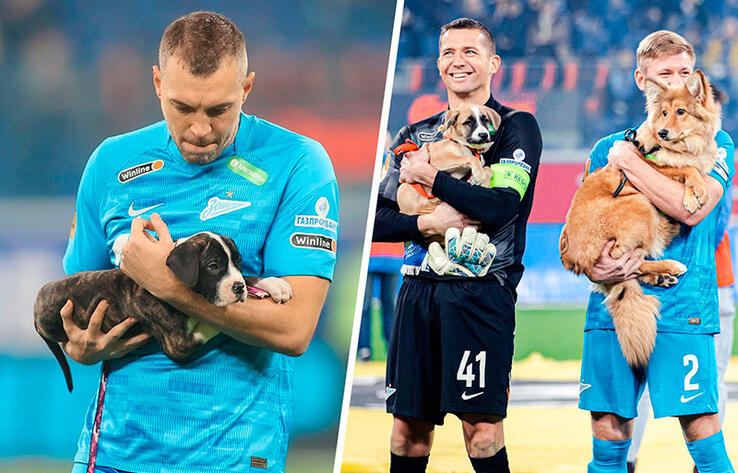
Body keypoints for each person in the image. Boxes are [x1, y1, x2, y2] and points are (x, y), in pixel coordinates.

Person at [60, 11, 338, 473]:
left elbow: (294, 329)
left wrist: (168, 286)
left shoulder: (298, 164)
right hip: (113, 455)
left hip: (236, 457)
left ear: (246, 89)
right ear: (156, 83)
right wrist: (83, 347)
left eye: (219, 109)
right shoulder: (110, 163)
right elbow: (82, 308)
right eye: (183, 108)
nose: (200, 130)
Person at [374, 17, 542, 473]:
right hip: (418, 291)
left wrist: (431, 178)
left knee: (482, 432)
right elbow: (374, 221)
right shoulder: (413, 137)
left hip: (482, 292)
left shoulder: (516, 127)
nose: (458, 61)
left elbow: (500, 207)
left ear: (493, 63)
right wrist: (426, 223)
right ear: (438, 65)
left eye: (470, 51)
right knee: (407, 433)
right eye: (449, 52)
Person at [578, 30, 735, 473]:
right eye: (665, 73)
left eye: (685, 72)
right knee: (609, 424)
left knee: (701, 421)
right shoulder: (604, 148)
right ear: (641, 80)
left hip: (685, 301)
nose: (677, 81)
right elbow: (586, 218)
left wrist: (629, 163)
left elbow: (695, 208)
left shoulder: (718, 143)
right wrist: (598, 263)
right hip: (614, 302)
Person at [626, 87, 736, 473]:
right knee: (638, 383)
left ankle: (702, 466)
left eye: (697, 113)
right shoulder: (657, 151)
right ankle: (628, 459)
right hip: (664, 281)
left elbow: (710, 220)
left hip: (713, 283)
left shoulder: (721, 152)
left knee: (710, 386)